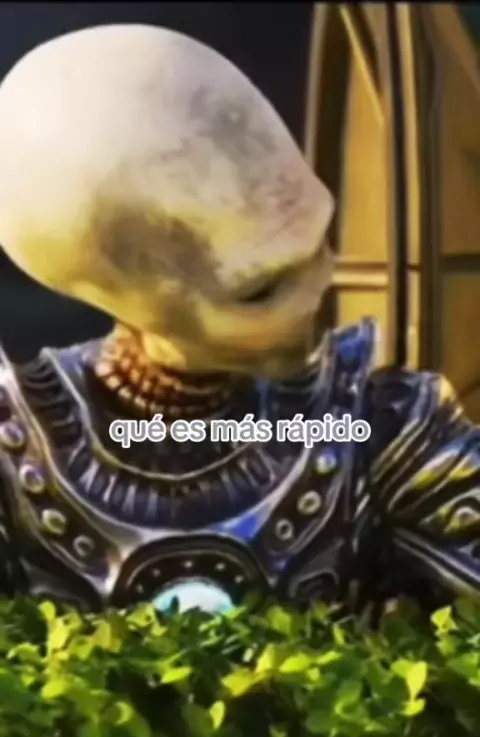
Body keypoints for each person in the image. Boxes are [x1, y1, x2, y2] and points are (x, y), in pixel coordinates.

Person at [0, 24, 477, 615]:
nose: (318, 292)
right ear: (112, 290)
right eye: (261, 290)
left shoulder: (382, 428)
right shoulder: (18, 454)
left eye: (321, 244)